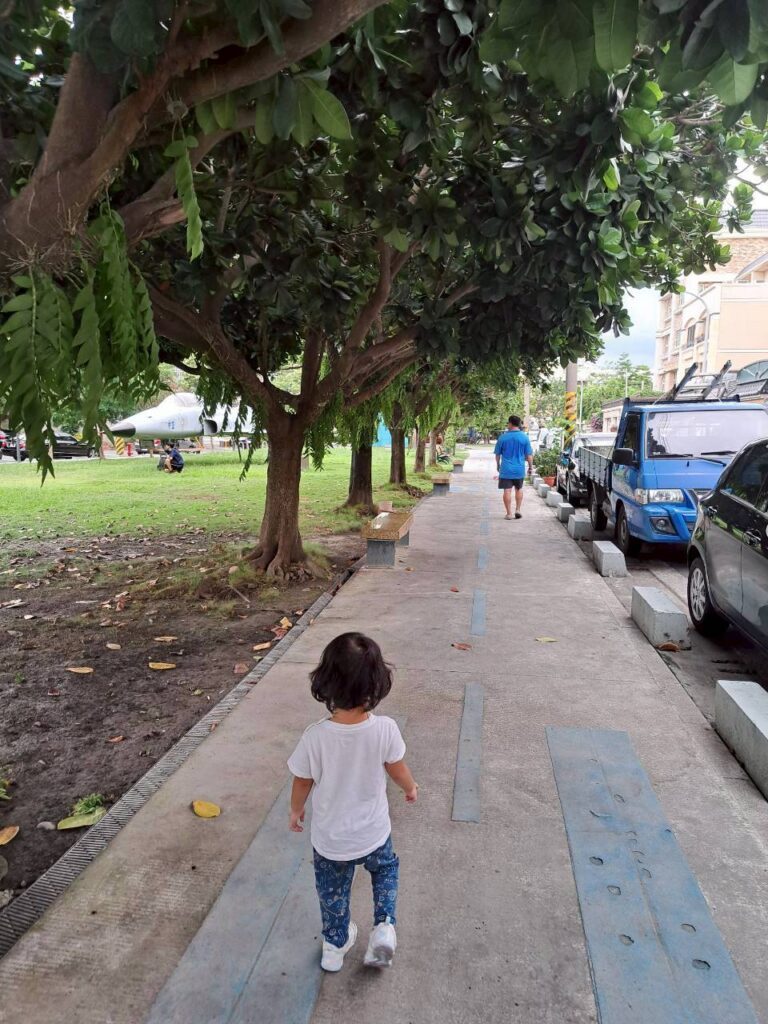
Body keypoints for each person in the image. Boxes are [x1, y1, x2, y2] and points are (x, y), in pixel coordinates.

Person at [288, 632, 418, 973]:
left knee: (332, 890)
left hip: (331, 840)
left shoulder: (315, 737)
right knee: (385, 869)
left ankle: (334, 946)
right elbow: (397, 768)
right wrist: (410, 787)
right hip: (373, 832)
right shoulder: (385, 729)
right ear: (377, 685)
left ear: (325, 682)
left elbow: (302, 780)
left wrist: (296, 809)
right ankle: (384, 926)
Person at [494, 414, 533, 519]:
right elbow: (529, 455)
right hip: (519, 469)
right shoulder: (524, 437)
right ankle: (518, 510)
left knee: (507, 490)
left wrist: (498, 465)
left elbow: (497, 455)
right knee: (519, 489)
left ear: (510, 423)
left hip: (506, 469)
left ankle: (509, 513)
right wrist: (530, 467)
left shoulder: (503, 437)